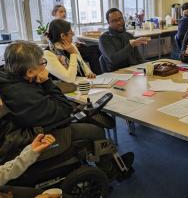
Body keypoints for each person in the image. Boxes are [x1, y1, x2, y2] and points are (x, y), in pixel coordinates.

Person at [0, 41, 133, 180]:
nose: (44, 66)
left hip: (23, 130)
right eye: (41, 63)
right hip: (29, 139)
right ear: (30, 71)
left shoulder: (7, 74)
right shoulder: (23, 95)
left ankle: (105, 163)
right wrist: (46, 81)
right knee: (95, 131)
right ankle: (111, 172)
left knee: (86, 117)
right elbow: (64, 109)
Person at [44, 19, 96, 83]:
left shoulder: (71, 46)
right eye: (71, 32)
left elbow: (82, 64)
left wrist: (89, 74)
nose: (73, 34)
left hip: (81, 84)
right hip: (65, 90)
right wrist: (73, 53)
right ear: (63, 36)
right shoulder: (47, 54)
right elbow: (69, 78)